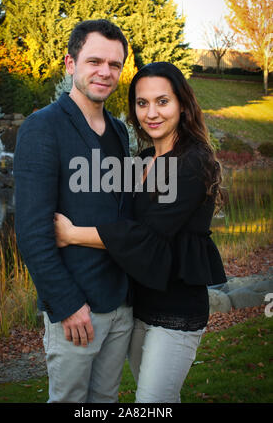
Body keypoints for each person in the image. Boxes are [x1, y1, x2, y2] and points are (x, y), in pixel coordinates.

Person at [54, 61, 227, 403]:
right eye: (142, 103)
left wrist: (73, 234)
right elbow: (113, 212)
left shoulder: (194, 162)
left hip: (176, 309)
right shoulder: (142, 160)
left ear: (182, 104)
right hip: (137, 305)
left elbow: (143, 236)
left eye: (163, 101)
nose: (152, 113)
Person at [13, 19, 134, 403]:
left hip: (120, 304)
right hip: (76, 310)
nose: (105, 72)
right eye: (94, 60)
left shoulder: (118, 132)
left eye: (115, 65)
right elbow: (32, 232)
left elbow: (121, 214)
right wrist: (66, 305)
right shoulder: (41, 128)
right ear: (70, 63)